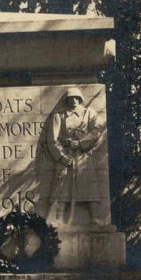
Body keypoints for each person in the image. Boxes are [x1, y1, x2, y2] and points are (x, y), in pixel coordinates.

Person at [46, 87, 104, 226]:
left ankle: (94, 217)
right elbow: (52, 139)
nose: (73, 101)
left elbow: (97, 131)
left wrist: (80, 143)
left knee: (89, 184)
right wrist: (61, 157)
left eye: (76, 98)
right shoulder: (59, 115)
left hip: (83, 156)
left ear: (80, 99)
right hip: (66, 155)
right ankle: (59, 218)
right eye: (70, 98)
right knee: (62, 187)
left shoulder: (89, 113)